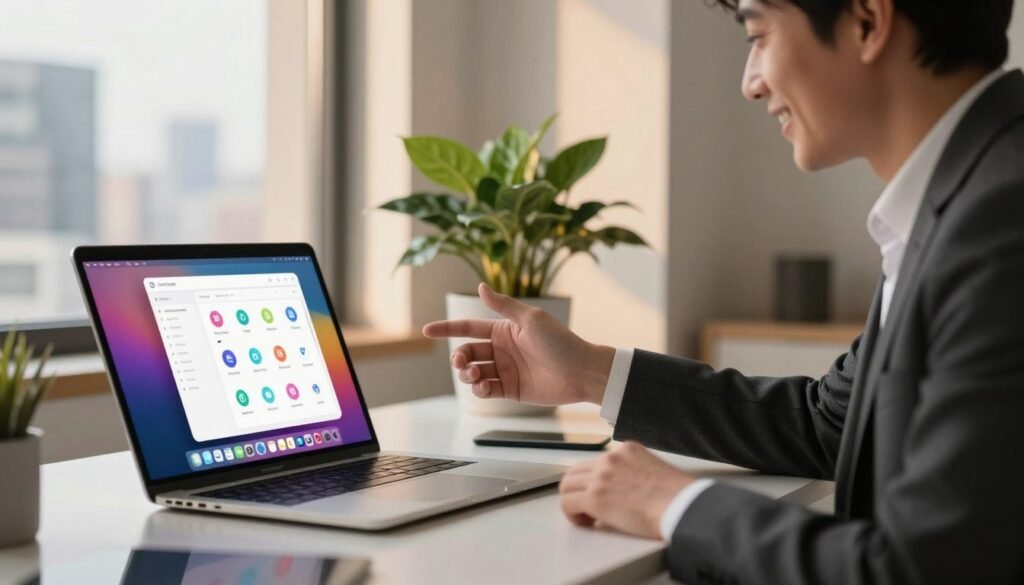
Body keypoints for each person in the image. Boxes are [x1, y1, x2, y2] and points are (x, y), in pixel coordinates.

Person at [425, 0, 1024, 583]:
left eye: (757, 36)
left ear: (868, 22)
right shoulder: (965, 196)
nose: (750, 83)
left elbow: (924, 570)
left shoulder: (999, 223)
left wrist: (677, 506)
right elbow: (825, 423)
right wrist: (588, 372)